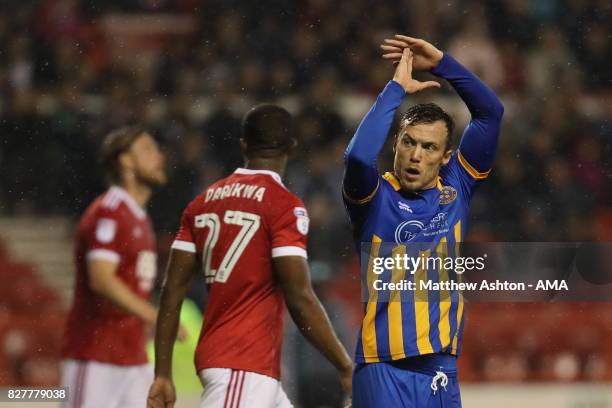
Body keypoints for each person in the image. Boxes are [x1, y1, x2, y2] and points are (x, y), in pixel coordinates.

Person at [147, 104, 353, 408]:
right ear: (292, 148)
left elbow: (171, 291)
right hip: (242, 365)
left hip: (240, 364)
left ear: (244, 145)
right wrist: (344, 364)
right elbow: (299, 297)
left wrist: (162, 374)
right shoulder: (284, 206)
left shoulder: (201, 203)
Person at [343, 36, 504, 407]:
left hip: (441, 369)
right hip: (383, 368)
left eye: (428, 147)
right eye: (408, 143)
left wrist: (444, 65)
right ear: (396, 143)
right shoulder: (373, 197)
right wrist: (396, 88)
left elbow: (491, 113)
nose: (416, 155)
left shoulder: (457, 187)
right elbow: (357, 157)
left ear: (446, 156)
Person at [61, 126, 170, 408]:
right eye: (147, 149)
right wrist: (153, 315)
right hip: (97, 356)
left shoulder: (139, 218)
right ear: (126, 162)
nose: (159, 156)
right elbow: (101, 279)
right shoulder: (109, 211)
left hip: (133, 357)